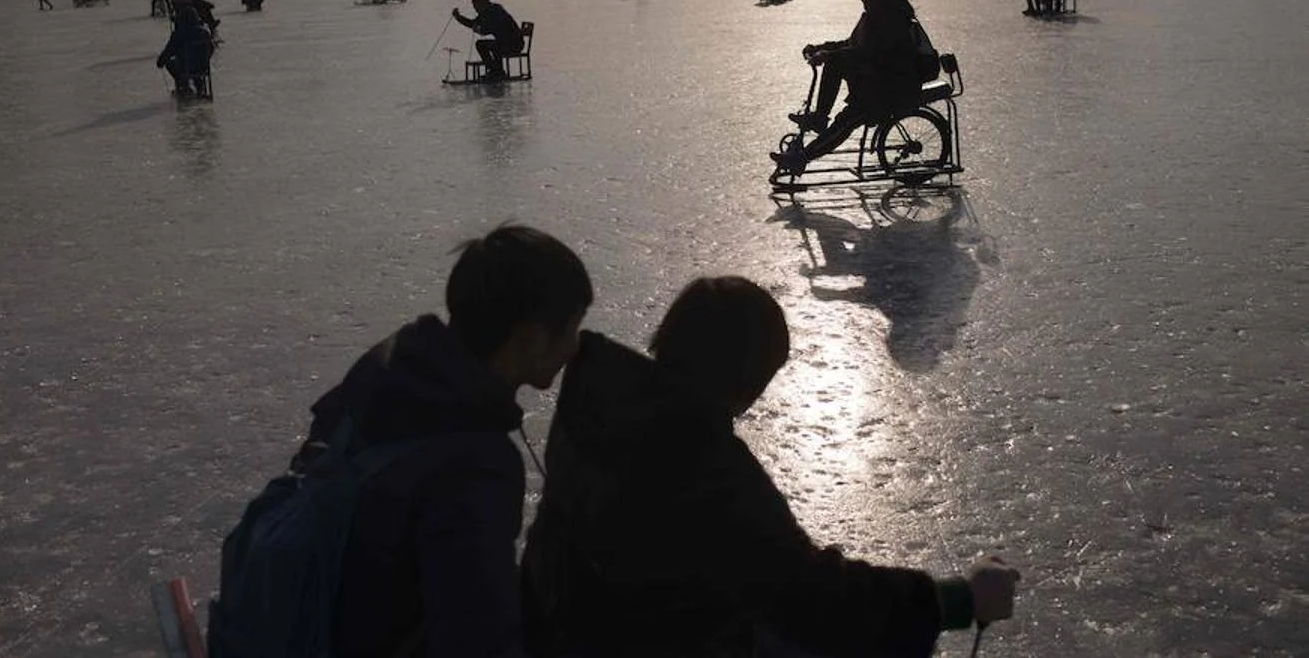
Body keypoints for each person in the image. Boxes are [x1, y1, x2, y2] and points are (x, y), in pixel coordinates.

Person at [521, 276, 1020, 658]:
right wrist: (954, 600)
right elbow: (811, 596)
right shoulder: (700, 465)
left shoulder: (598, 408)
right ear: (747, 378)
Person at [209, 225, 593, 658]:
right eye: (574, 327)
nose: (577, 347)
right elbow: (477, 638)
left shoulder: (391, 374)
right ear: (531, 338)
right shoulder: (472, 466)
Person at [771, 0, 923, 174]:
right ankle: (820, 117)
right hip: (874, 83)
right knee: (836, 62)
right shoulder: (875, 15)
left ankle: (803, 157)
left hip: (889, 91)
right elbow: (851, 45)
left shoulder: (891, 19)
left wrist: (828, 55)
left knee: (845, 122)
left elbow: (869, 51)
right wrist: (822, 48)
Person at [454, 0, 525, 81]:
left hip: (515, 43)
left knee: (495, 46)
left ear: (483, 4)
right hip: (502, 42)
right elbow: (473, 23)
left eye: (476, 7)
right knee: (480, 44)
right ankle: (493, 70)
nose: (476, 10)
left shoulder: (496, 11)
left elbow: (489, 28)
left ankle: (498, 72)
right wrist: (459, 18)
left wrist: (479, 30)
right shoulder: (485, 12)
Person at [156, 6, 215, 97]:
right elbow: (211, 48)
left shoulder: (179, 33)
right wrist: (206, 59)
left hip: (185, 67)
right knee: (193, 61)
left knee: (169, 62)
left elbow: (169, 51)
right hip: (203, 66)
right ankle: (198, 83)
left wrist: (160, 62)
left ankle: (182, 83)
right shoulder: (205, 32)